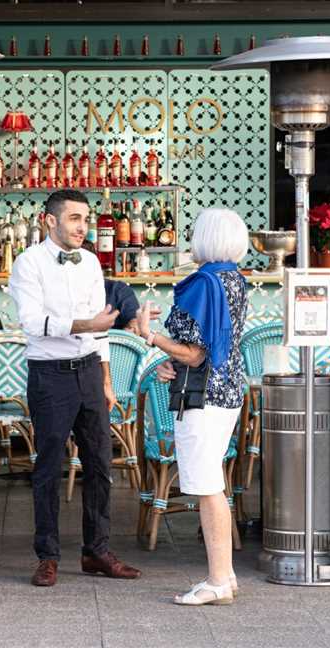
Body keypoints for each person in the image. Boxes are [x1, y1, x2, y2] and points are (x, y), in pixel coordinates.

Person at [9, 189, 142, 587]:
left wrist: (105, 379)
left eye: (85, 218)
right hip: (49, 375)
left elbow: (99, 325)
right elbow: (32, 323)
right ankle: (47, 556)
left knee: (100, 464)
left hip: (88, 371)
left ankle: (96, 551)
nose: (83, 227)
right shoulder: (28, 263)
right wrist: (88, 326)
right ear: (50, 221)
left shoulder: (90, 263)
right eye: (74, 219)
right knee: (48, 467)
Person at [133, 207, 248, 606]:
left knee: (206, 485)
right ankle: (227, 575)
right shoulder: (234, 279)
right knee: (213, 481)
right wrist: (173, 358)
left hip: (203, 396)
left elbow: (195, 354)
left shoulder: (204, 283)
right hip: (228, 391)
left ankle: (217, 579)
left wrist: (152, 338)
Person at [80, 240, 140, 333]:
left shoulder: (118, 290)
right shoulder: (57, 292)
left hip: (112, 346)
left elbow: (134, 323)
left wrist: (132, 327)